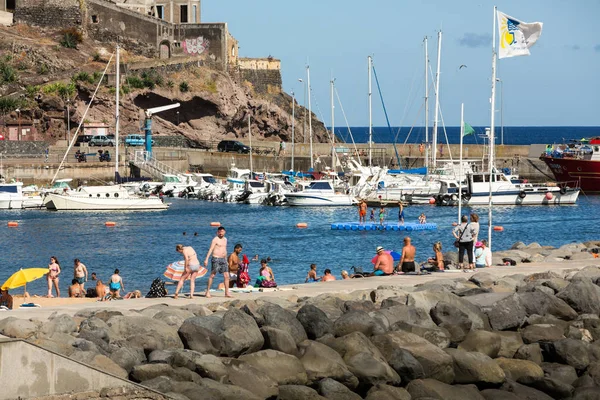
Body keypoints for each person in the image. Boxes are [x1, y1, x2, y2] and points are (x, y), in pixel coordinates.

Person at [204, 226, 232, 298]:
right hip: (216, 258)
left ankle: (227, 293)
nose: (221, 233)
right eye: (219, 232)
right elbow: (211, 249)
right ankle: (207, 291)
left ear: (224, 232)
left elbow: (225, 250)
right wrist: (206, 259)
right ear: (217, 232)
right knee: (212, 275)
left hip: (223, 259)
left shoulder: (225, 239)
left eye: (222, 231)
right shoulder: (215, 239)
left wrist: (226, 260)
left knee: (226, 276)